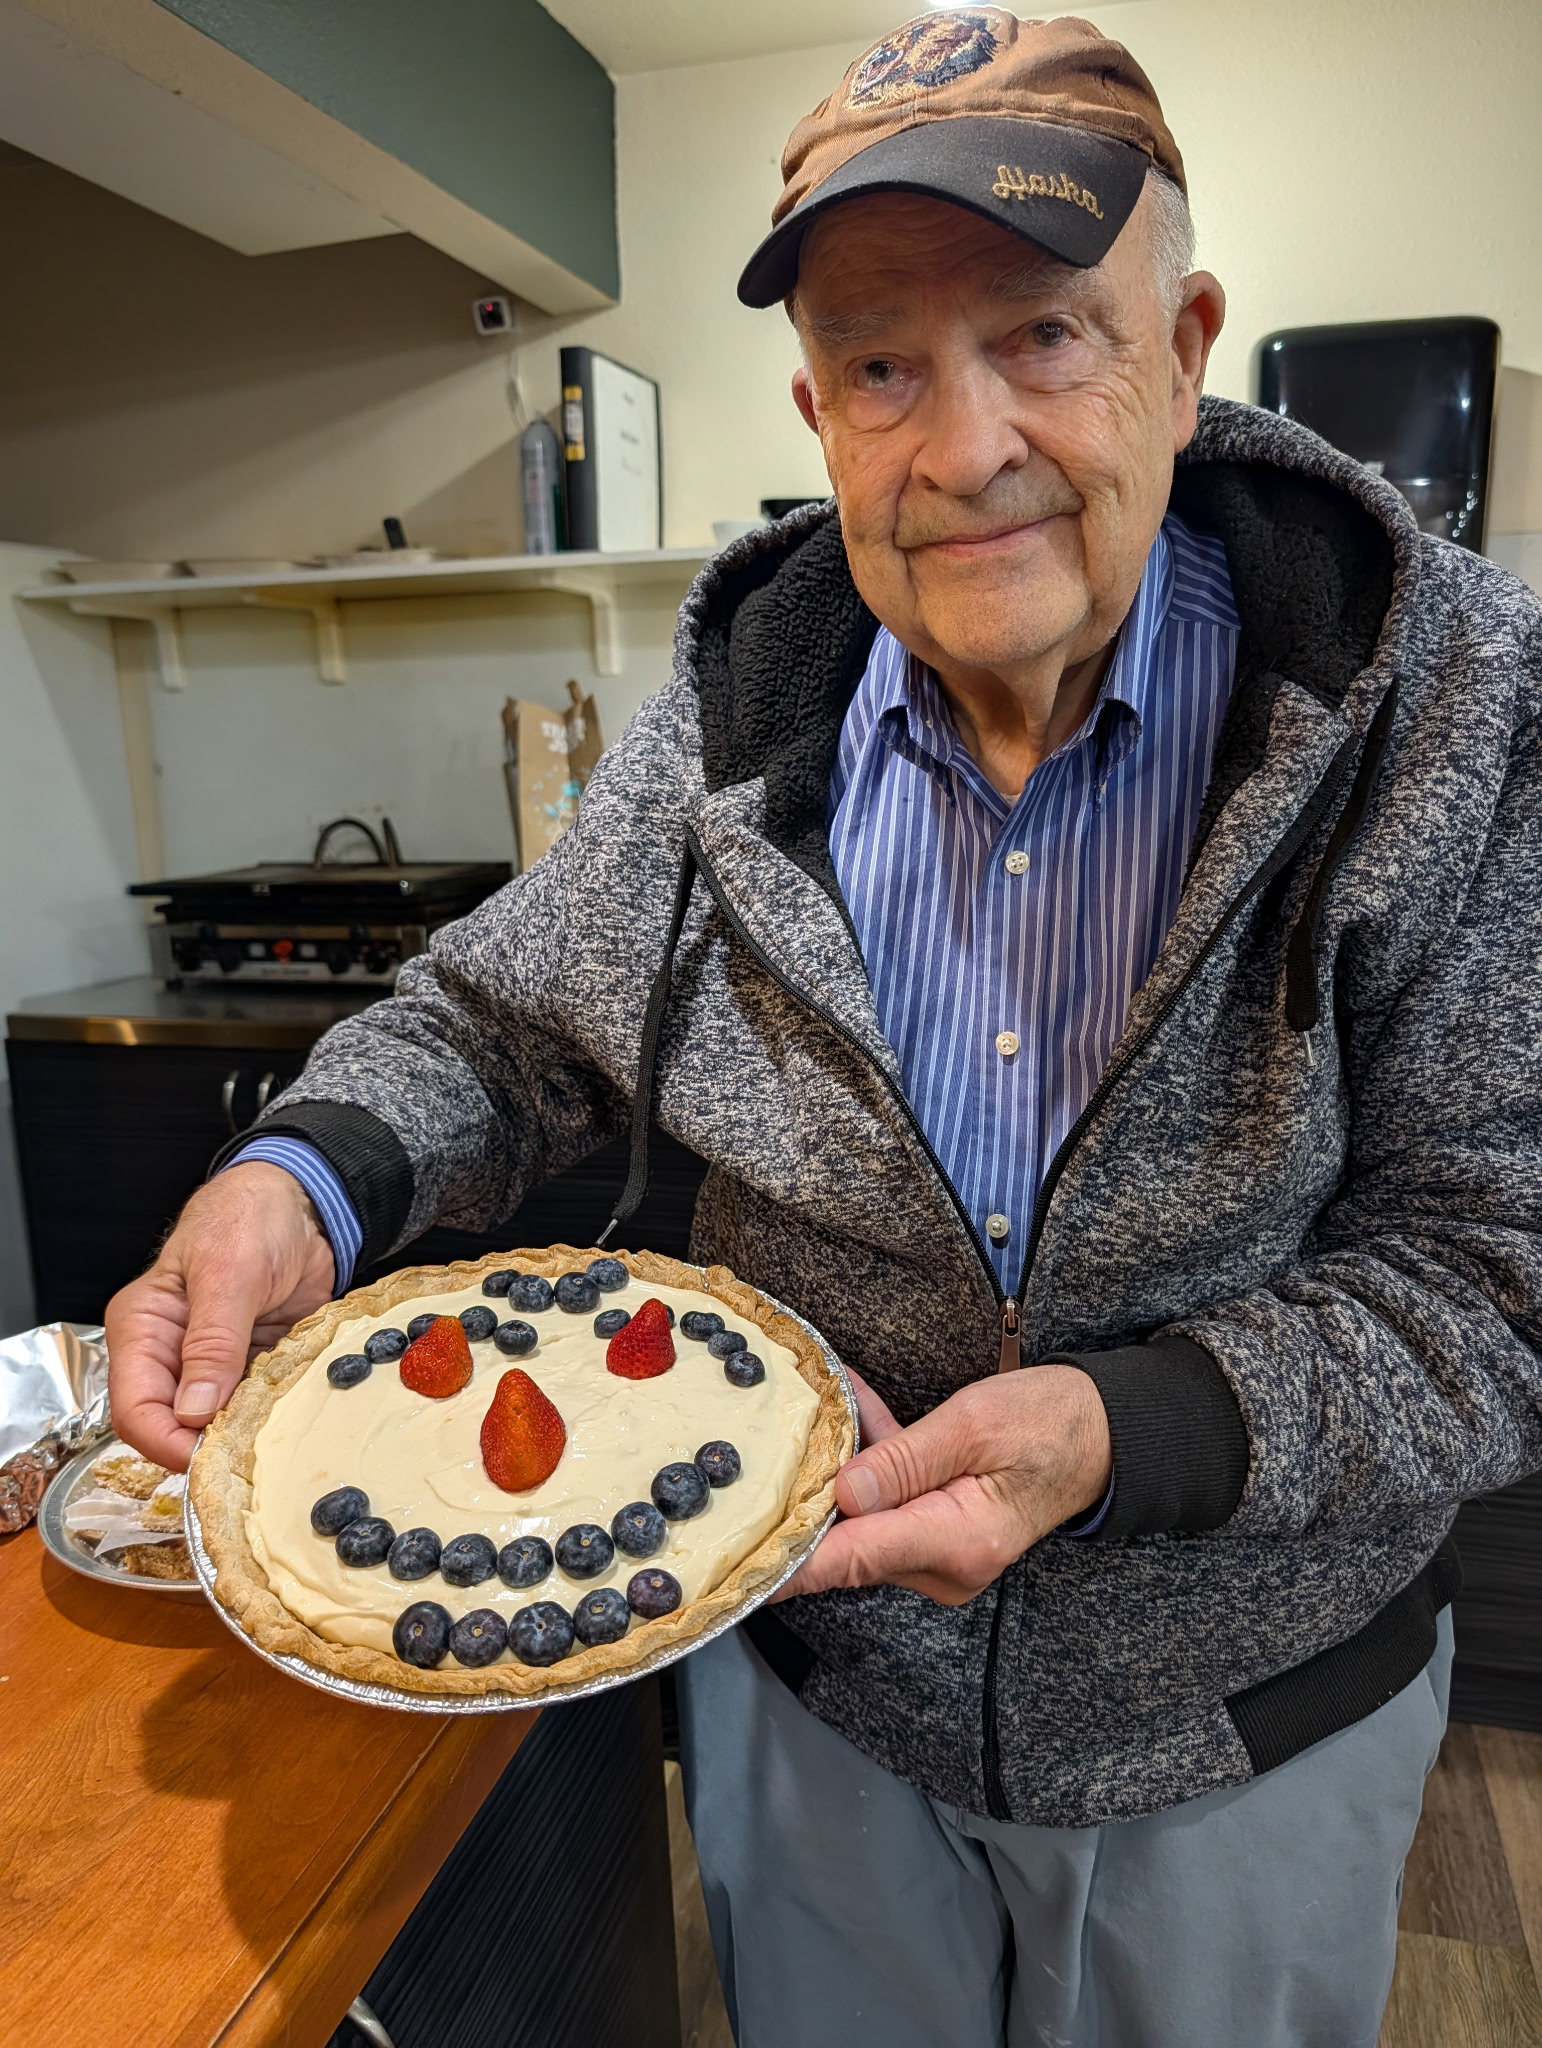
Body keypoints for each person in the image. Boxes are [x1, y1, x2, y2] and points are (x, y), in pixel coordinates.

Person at [108, 11, 1542, 2045]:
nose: (963, 448)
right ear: (818, 400)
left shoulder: (1457, 714)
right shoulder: (733, 717)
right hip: (811, 1700)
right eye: (884, 365)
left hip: (1236, 1739)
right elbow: (494, 1026)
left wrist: (1120, 1432)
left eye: (1044, 334)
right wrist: (298, 1175)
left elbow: (1507, 1274)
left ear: (1189, 335)